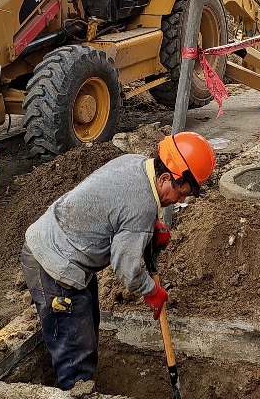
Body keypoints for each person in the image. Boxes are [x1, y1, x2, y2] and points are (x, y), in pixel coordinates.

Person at [22, 133, 217, 392]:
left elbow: (115, 207)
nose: (180, 200)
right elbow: (126, 269)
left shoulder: (135, 163)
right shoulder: (142, 206)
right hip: (54, 263)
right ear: (166, 178)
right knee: (75, 355)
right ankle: (76, 390)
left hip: (65, 246)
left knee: (87, 330)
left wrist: (150, 228)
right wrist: (152, 292)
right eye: (181, 193)